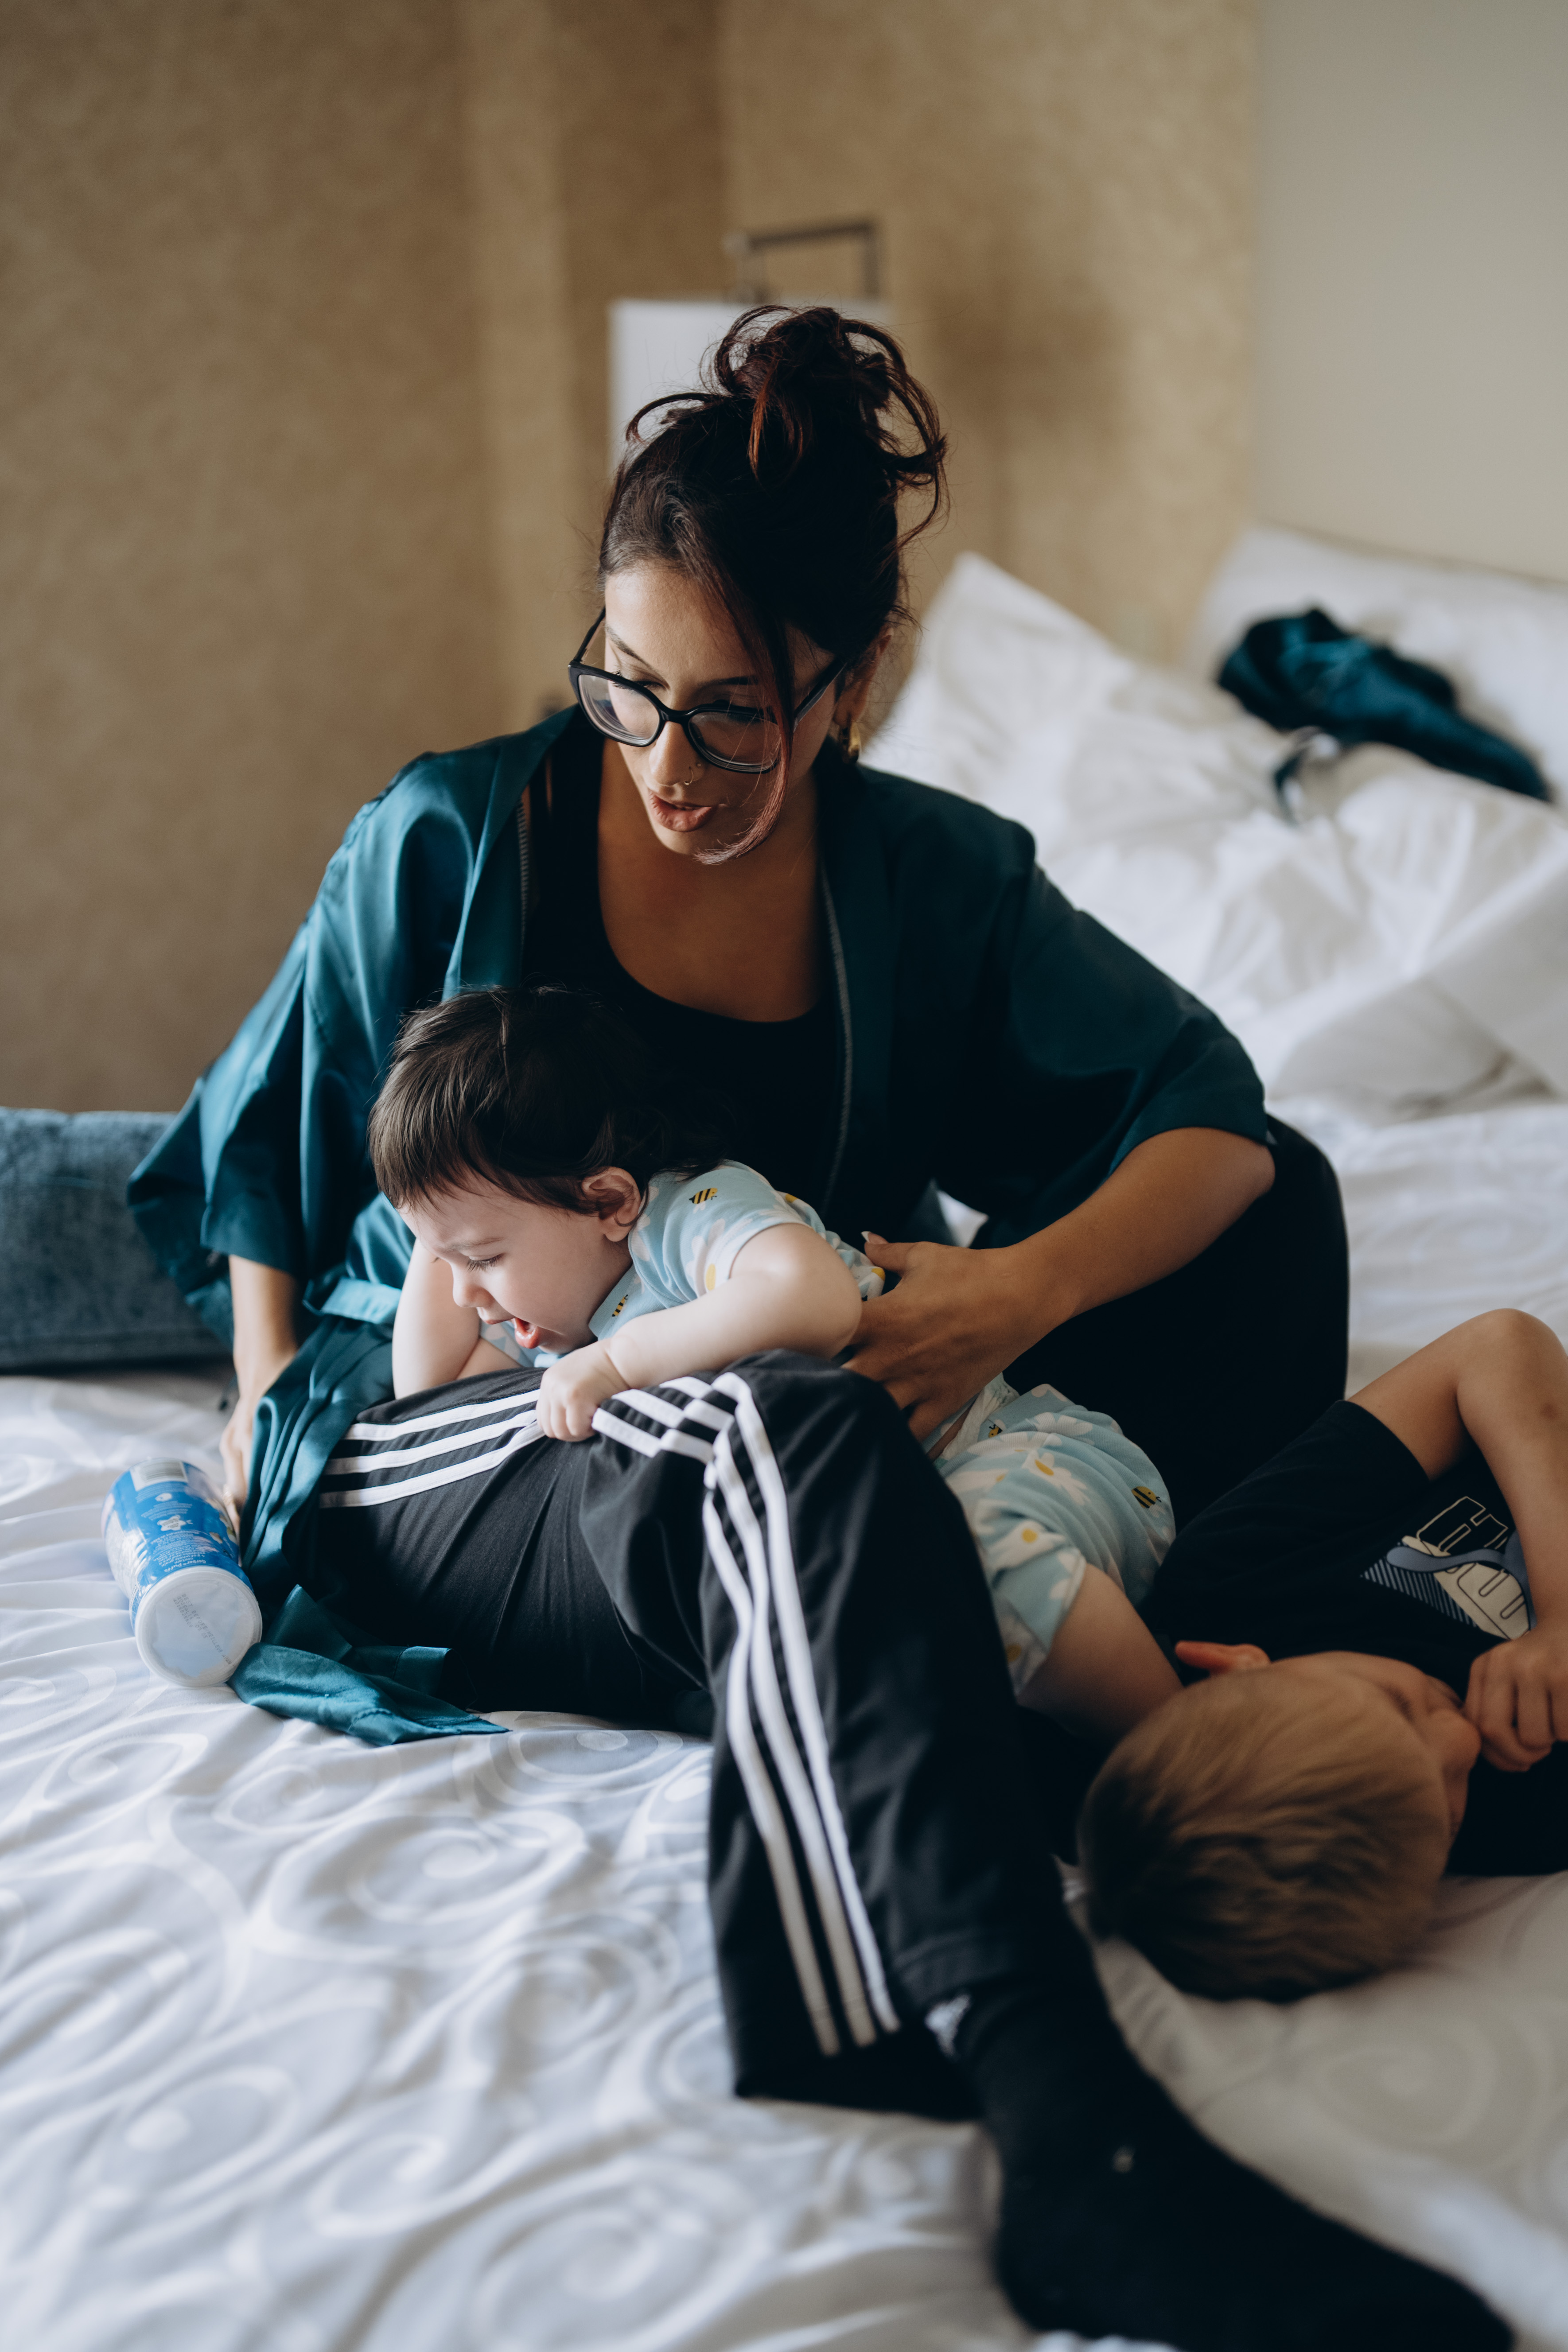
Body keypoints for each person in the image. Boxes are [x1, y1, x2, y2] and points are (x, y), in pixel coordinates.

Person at [124, 307, 1498, 2349]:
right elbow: (268, 1153)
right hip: (470, 1423)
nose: (668, 766)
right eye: (625, 688)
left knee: (1264, 1208)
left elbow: (1209, 1110)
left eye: (733, 716)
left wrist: (1019, 1285)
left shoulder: (924, 881)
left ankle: (1057, 1648)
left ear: (851, 687)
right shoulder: (455, 834)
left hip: (788, 1408)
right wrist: (260, 1415)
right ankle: (1073, 2130)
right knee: (790, 1428)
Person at [370, 980, 1179, 1739]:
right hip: (886, 1527)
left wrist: (620, 1362)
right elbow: (429, 1395)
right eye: (441, 1261)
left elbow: (813, 1300)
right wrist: (444, 1234)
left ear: (608, 1200)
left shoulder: (686, 1212)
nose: (465, 1294)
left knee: (971, 1564)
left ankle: (1191, 1750)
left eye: (483, 1257)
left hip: (1022, 1458)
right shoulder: (562, 1323)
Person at [1079, 1309, 1568, 2006]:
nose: (1464, 1739)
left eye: (1397, 1706)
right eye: (1449, 1823)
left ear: (1235, 1663)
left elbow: (1500, 1346)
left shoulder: (1236, 1577)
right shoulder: (1520, 1819)